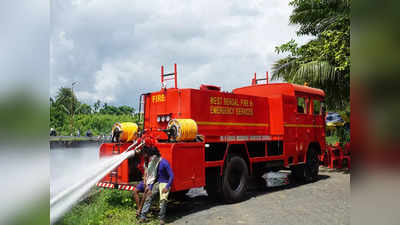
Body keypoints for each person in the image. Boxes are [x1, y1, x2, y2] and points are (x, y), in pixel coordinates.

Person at [140, 146, 174, 225]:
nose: (150, 158)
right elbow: (152, 177)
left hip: (164, 183)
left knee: (163, 199)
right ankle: (143, 217)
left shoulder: (164, 163)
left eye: (152, 156)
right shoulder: (153, 163)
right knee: (149, 197)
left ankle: (161, 219)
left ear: (155, 155)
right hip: (157, 183)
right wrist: (149, 188)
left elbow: (171, 175)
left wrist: (167, 186)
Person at [133, 147, 150, 216]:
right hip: (144, 180)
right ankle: (139, 208)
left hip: (150, 181)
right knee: (135, 192)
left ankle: (139, 210)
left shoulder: (150, 161)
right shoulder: (143, 160)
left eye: (144, 154)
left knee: (145, 193)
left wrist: (146, 183)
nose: (142, 155)